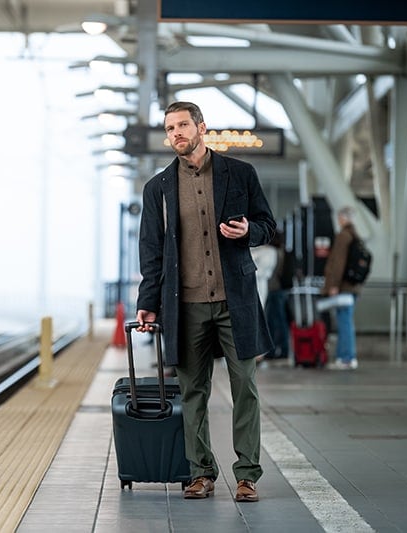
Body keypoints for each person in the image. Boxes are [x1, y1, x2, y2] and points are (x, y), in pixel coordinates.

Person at [135, 101, 275, 503]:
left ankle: (247, 475)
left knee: (244, 386)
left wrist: (249, 230)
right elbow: (152, 251)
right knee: (192, 390)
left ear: (201, 127)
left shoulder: (240, 173)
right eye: (170, 127)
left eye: (182, 125)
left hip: (237, 300)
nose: (176, 133)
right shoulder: (158, 189)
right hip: (186, 304)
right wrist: (149, 301)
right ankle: (201, 472)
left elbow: (268, 225)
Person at [321, 207, 363, 370]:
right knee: (346, 320)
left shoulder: (343, 236)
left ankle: (346, 357)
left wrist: (333, 285)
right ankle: (344, 356)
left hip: (343, 287)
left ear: (343, 218)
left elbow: (338, 263)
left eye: (339, 217)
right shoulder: (355, 236)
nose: (338, 220)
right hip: (352, 287)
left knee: (344, 321)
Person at [265, 230, 293, 359]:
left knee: (274, 321)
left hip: (274, 289)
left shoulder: (273, 253)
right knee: (281, 321)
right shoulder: (283, 252)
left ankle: (276, 350)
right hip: (281, 289)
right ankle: (283, 349)